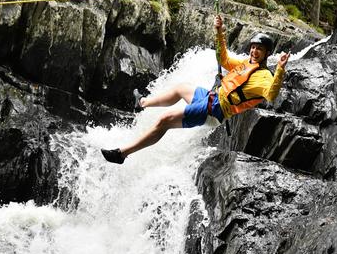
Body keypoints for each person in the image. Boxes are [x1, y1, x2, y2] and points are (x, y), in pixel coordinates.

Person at [101, 15, 291, 164]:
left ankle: (122, 154)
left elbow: (271, 95)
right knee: (181, 88)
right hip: (211, 97)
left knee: (164, 120)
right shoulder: (244, 63)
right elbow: (223, 59)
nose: (254, 51)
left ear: (267, 53)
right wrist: (219, 32)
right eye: (253, 47)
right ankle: (142, 103)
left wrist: (280, 69)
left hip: (215, 110)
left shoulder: (265, 76)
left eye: (259, 49)